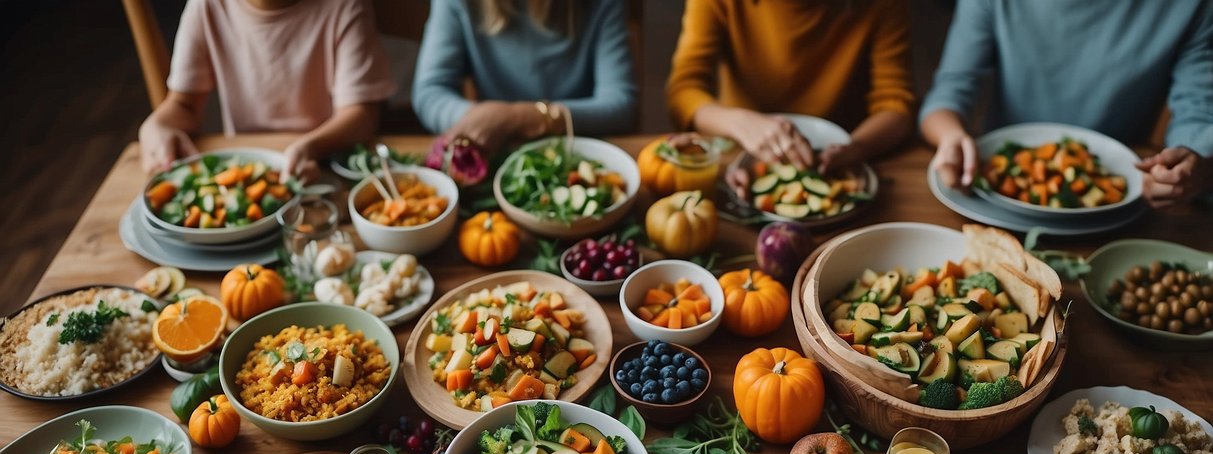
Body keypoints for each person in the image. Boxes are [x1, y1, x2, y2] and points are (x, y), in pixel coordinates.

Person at [920, 0, 1213, 207]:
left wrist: (1191, 165)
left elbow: (1198, 113)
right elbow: (949, 92)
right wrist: (951, 136)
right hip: (995, 195)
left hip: (1121, 203)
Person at [138, 0, 396, 180]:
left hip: (324, 164)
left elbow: (362, 115)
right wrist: (156, 125)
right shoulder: (206, 5)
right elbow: (184, 105)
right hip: (244, 171)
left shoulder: (346, 5)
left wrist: (310, 146)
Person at [665, 0, 916, 180]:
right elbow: (684, 89)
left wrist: (857, 147)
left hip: (843, 158)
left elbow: (896, 105)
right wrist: (740, 123)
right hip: (741, 153)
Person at [411, 0, 637, 153]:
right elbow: (430, 91)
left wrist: (518, 118)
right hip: (496, 150)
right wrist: (481, 120)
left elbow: (620, 104)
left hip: (582, 148)